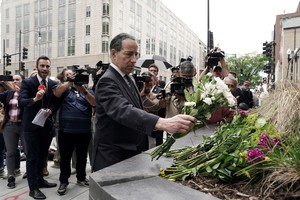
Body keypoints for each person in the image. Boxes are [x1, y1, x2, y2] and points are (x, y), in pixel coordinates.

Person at [92, 33, 196, 171]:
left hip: (132, 153)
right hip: (113, 158)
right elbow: (124, 111)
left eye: (136, 54)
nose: (134, 60)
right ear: (113, 54)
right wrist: (162, 123)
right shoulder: (107, 80)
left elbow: (138, 108)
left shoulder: (129, 78)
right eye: (129, 54)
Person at [18, 56, 60, 200]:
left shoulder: (53, 84)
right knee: (32, 158)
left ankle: (40, 180)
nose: (45, 69)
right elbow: (22, 101)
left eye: (47, 66)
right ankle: (33, 188)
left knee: (42, 157)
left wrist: (51, 110)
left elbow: (56, 102)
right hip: (31, 127)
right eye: (42, 66)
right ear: (37, 67)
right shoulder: (28, 82)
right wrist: (35, 99)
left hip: (46, 126)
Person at [53, 68, 96, 195]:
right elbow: (56, 92)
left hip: (84, 131)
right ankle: (63, 181)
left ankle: (81, 178)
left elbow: (95, 104)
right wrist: (70, 81)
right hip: (66, 131)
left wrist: (84, 91)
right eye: (78, 77)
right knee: (65, 158)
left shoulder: (89, 91)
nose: (79, 80)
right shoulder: (65, 90)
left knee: (82, 157)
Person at [0, 74, 25, 189]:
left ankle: (31, 173)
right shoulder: (8, 93)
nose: (15, 81)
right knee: (10, 152)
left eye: (17, 80)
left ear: (22, 81)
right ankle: (11, 176)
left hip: (24, 126)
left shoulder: (26, 91)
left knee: (28, 151)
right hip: (9, 125)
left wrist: (20, 92)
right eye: (13, 80)